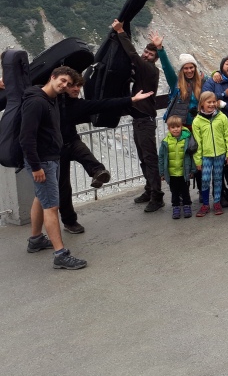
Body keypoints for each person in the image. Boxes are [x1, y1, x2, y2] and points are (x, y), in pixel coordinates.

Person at [58, 72, 152, 234]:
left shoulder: (78, 104)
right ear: (64, 86)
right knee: (64, 187)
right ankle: (70, 222)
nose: (76, 89)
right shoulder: (51, 100)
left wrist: (130, 99)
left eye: (79, 86)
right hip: (56, 149)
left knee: (86, 155)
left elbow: (102, 104)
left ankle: (98, 173)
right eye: (73, 86)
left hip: (71, 141)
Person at [21, 66, 87, 270]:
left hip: (50, 158)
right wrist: (35, 166)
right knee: (51, 206)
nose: (64, 85)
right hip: (43, 162)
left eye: (68, 83)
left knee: (41, 199)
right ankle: (61, 254)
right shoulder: (36, 102)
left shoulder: (52, 99)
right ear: (52, 77)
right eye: (62, 81)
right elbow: (26, 138)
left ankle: (35, 240)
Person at [112, 18, 162, 213]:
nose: (147, 55)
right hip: (139, 120)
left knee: (149, 159)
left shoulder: (149, 68)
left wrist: (120, 32)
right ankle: (150, 190)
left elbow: (132, 55)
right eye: (146, 52)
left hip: (145, 121)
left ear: (155, 58)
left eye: (151, 53)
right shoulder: (142, 69)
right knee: (144, 158)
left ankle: (157, 197)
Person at [192, 91, 228, 216]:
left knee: (217, 179)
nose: (211, 104)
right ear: (202, 104)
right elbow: (197, 143)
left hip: (220, 154)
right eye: (208, 102)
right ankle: (205, 204)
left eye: (214, 102)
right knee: (205, 180)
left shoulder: (222, 117)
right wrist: (198, 160)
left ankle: (216, 202)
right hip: (206, 155)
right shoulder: (197, 121)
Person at [150, 31, 203, 128]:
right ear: (182, 70)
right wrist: (160, 49)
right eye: (185, 68)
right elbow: (166, 68)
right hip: (180, 126)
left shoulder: (202, 81)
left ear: (195, 68)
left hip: (198, 124)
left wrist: (215, 74)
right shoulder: (175, 82)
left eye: (191, 67)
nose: (189, 70)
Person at [158, 116, 195, 219]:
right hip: (172, 173)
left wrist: (192, 170)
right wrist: (162, 173)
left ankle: (187, 206)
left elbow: (191, 156)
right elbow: (161, 158)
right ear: (169, 129)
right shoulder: (165, 142)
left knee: (185, 191)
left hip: (184, 172)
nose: (176, 129)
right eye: (173, 127)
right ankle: (176, 207)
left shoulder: (186, 139)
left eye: (178, 126)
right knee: (174, 192)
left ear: (181, 127)